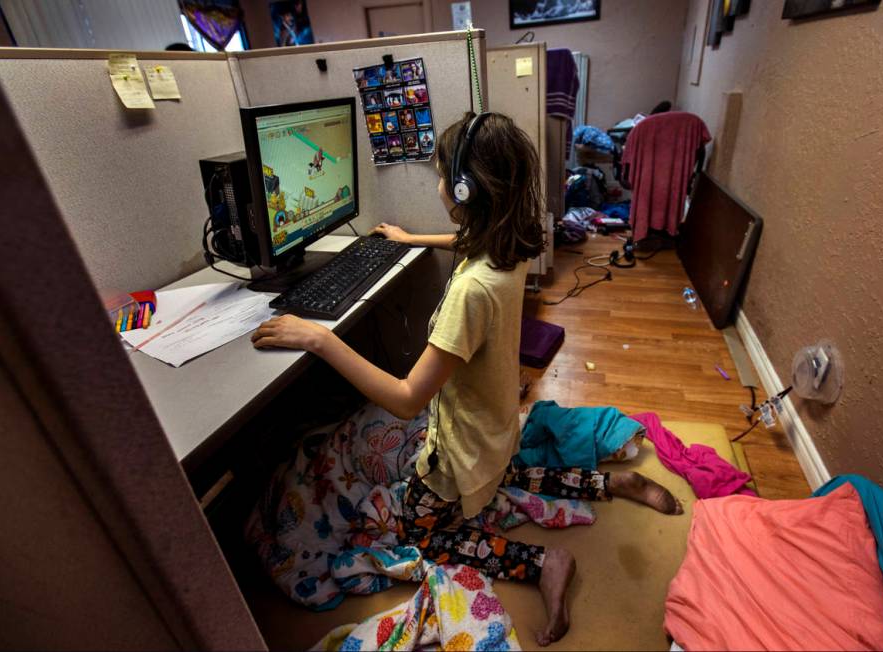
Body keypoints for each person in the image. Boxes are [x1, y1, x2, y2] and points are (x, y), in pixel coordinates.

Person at [251, 112, 682, 646]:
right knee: (504, 479)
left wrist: (319, 339)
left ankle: (542, 561)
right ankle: (604, 482)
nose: (437, 185)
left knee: (424, 534)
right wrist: (412, 238)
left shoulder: (469, 295)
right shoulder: (514, 244)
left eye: (440, 175)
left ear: (463, 188)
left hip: (456, 454)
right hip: (497, 429)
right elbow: (468, 239)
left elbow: (408, 400)